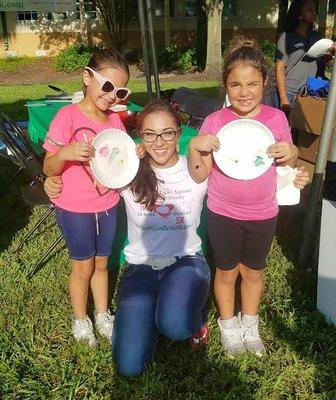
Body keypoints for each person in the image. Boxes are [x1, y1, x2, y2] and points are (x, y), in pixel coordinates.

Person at [44, 100, 211, 377]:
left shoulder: (196, 170)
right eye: (150, 134)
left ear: (179, 134)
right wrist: (51, 181)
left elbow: (244, 179)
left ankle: (192, 321)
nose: (159, 142)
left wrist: (292, 171)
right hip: (141, 270)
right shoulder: (127, 171)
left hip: (186, 262)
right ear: (140, 137)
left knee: (175, 326)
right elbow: (86, 182)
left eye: (167, 133)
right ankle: (158, 309)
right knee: (129, 367)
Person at [188, 35, 310, 358]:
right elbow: (199, 173)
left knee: (254, 272)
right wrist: (193, 149)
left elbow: (287, 164)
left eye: (252, 84)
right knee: (226, 272)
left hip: (263, 212)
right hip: (223, 212)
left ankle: (250, 323)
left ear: (265, 82)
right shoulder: (215, 123)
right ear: (225, 86)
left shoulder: (276, 120)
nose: (244, 93)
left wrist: (293, 152)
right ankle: (228, 325)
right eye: (235, 85)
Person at [42, 49, 133, 347]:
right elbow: (48, 166)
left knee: (102, 264)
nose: (111, 96)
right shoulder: (66, 117)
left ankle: (103, 313)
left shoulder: (115, 122)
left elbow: (122, 160)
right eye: (106, 86)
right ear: (86, 77)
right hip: (74, 208)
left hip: (107, 205)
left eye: (119, 91)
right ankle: (81, 318)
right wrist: (64, 154)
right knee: (83, 266)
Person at [274, 0, 335, 116]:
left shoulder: (317, 37)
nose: (313, 13)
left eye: (314, 10)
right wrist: (283, 98)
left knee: (305, 132)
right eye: (309, 9)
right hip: (290, 93)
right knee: (287, 131)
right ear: (299, 13)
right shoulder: (286, 37)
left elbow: (327, 63)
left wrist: (330, 55)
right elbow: (279, 69)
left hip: (312, 92)